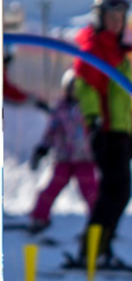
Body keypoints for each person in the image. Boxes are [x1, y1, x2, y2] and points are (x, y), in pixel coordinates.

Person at [66, 0, 132, 271]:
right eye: (111, 17)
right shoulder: (95, 49)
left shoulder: (118, 51)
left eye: (121, 18)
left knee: (121, 192)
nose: (117, 22)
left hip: (120, 131)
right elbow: (85, 87)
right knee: (113, 192)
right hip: (106, 132)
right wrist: (93, 120)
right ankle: (91, 250)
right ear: (99, 18)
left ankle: (102, 247)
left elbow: (122, 97)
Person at [23, 70, 99, 235]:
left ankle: (98, 224)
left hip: (84, 157)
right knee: (52, 187)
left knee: (91, 190)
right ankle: (39, 218)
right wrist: (42, 148)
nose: (75, 92)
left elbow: (96, 128)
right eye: (72, 88)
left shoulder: (89, 107)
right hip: (64, 156)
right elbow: (51, 131)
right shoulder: (61, 108)